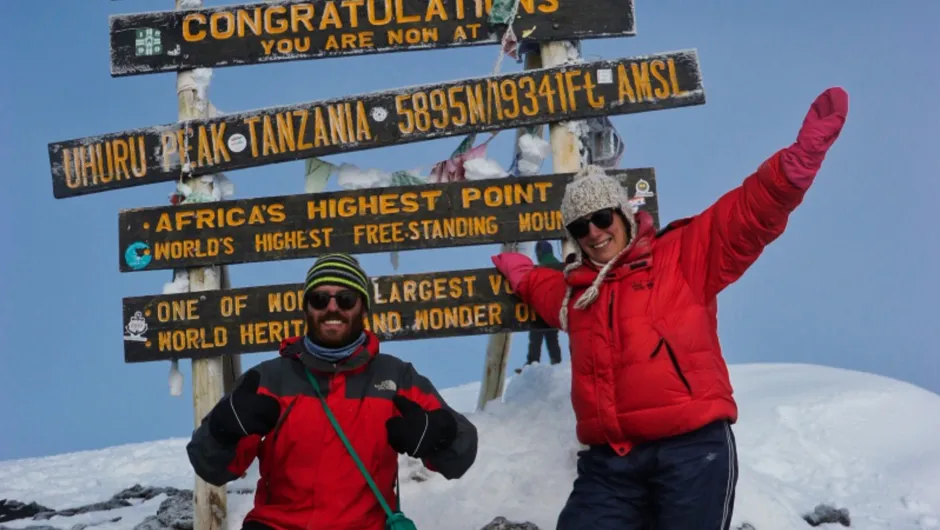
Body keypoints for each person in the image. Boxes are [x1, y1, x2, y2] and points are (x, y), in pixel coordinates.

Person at [490, 87, 849, 529]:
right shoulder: (578, 294)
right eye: (581, 227)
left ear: (623, 215)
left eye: (602, 218)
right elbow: (545, 292)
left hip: (692, 451)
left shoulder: (681, 255)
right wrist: (523, 275)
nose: (595, 233)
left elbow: (745, 216)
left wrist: (793, 169)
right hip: (611, 465)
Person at [186, 253, 478, 530]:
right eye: (319, 298)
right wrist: (222, 431)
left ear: (363, 308)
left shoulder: (396, 377)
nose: (332, 308)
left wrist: (440, 436)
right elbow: (211, 467)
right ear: (306, 308)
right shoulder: (267, 379)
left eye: (346, 299)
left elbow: (462, 452)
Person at [517, 241, 563, 374]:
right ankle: (557, 363)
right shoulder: (559, 266)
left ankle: (531, 364)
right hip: (554, 310)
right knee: (552, 338)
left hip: (539, 310)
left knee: (535, 339)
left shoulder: (539, 268)